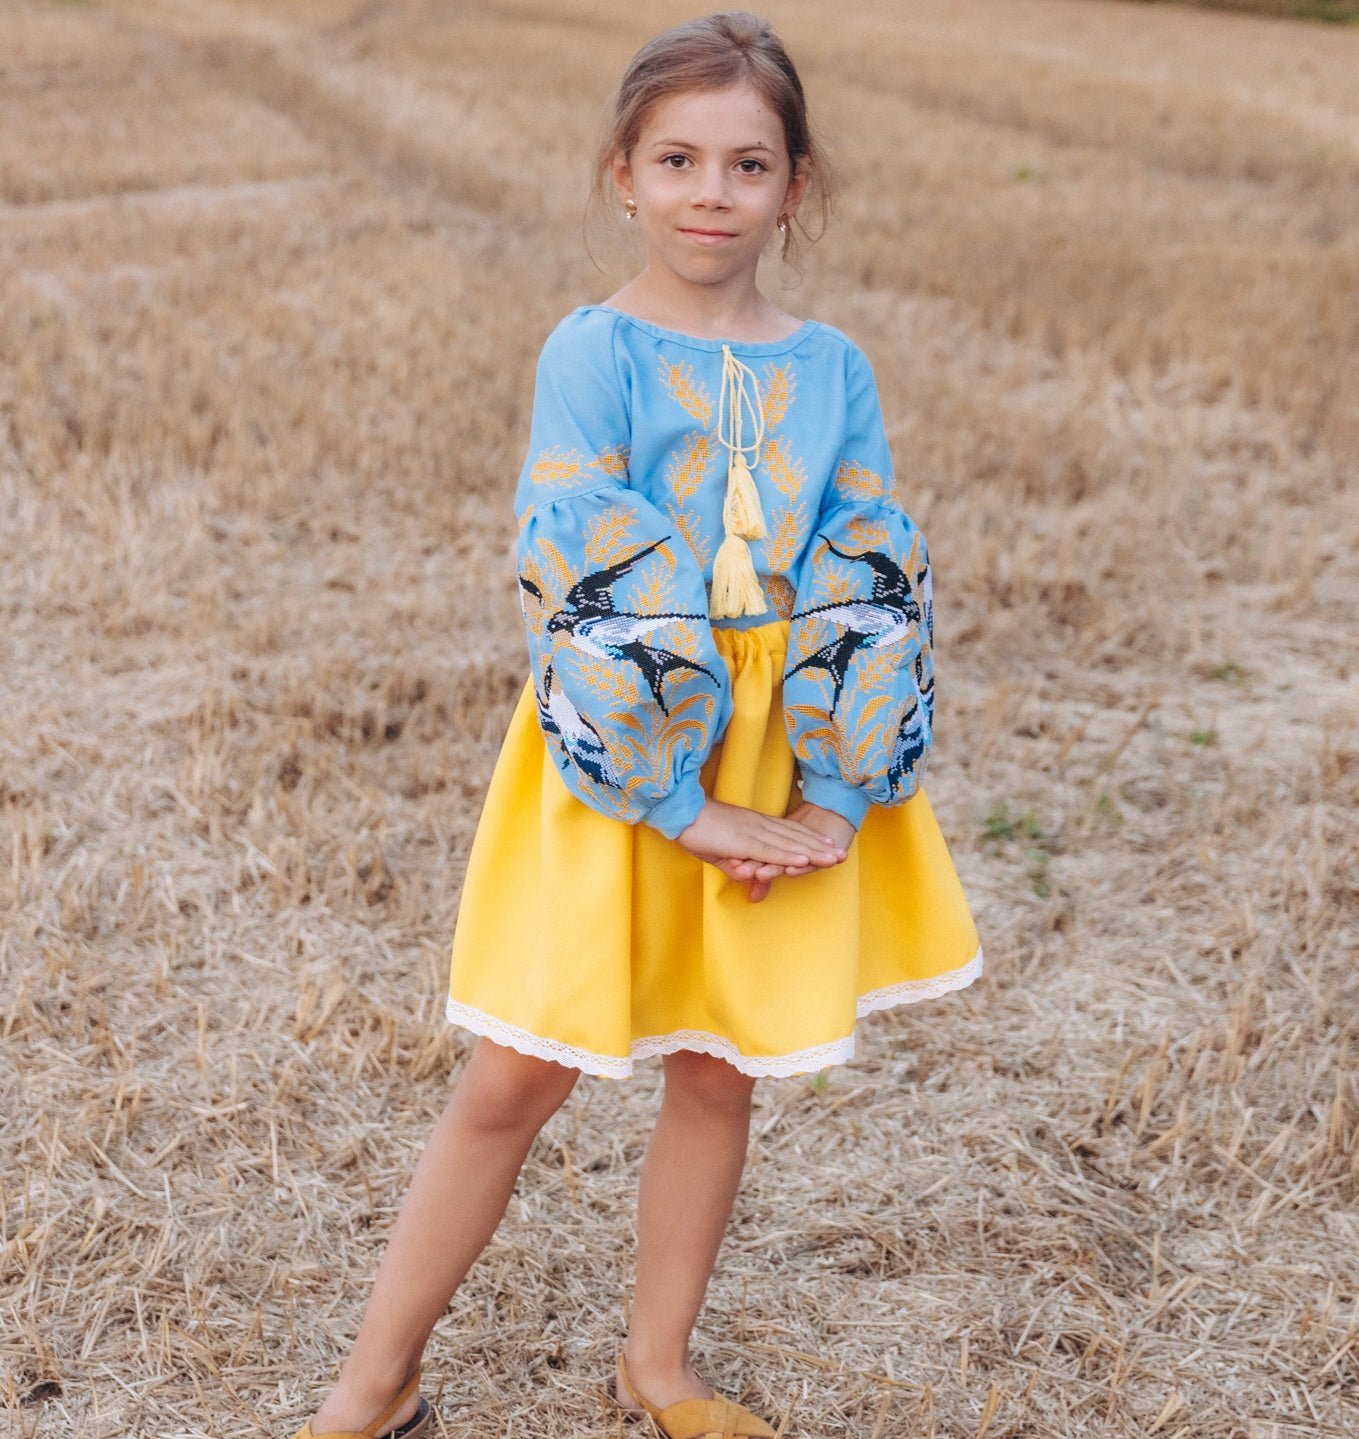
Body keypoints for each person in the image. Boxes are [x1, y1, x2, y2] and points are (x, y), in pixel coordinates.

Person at [292, 12, 980, 1439]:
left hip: (777, 756)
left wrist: (830, 800)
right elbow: (581, 569)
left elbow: (867, 567)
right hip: (629, 752)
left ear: (796, 186)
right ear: (623, 174)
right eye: (676, 159)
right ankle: (375, 1385)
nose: (710, 192)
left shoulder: (833, 367)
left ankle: (659, 1370)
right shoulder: (592, 351)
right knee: (514, 1078)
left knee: (718, 1072)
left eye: (748, 163)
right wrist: (679, 804)